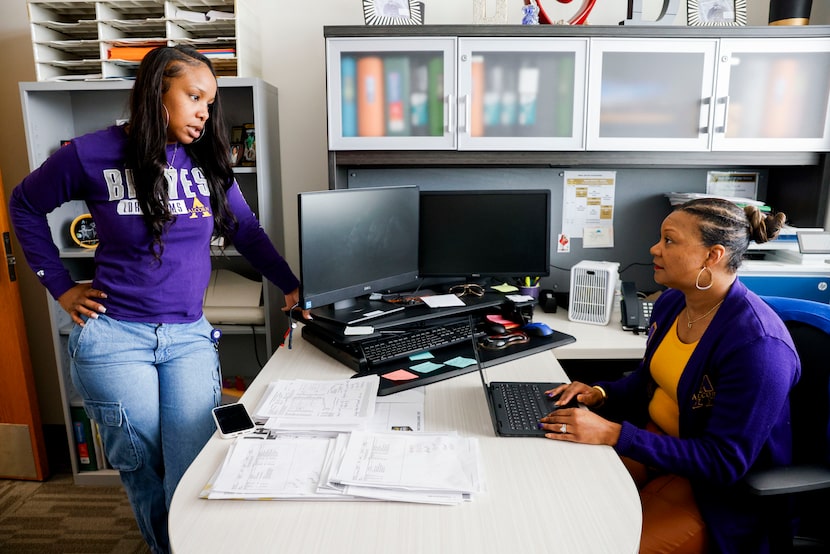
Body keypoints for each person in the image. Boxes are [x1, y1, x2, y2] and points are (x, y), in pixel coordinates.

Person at [9, 46, 304, 554]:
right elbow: (25, 204)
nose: (203, 113)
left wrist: (291, 282)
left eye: (209, 103)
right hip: (115, 338)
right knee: (144, 468)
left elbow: (247, 231)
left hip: (187, 335)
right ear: (155, 91)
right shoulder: (90, 153)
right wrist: (59, 285)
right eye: (193, 97)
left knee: (191, 467)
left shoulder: (207, 160)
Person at [539, 198, 800, 553]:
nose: (654, 248)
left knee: (604, 544)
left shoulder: (758, 347)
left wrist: (615, 433)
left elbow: (724, 462)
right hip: (659, 447)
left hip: (716, 491)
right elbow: (650, 381)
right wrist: (601, 393)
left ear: (713, 256)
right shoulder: (674, 302)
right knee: (552, 497)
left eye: (669, 240)